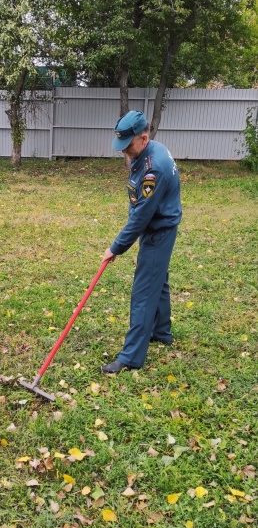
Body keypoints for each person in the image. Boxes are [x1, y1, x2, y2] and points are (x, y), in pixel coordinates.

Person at [101, 110, 182, 375]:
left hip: (158, 230)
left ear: (143, 138)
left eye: (128, 146)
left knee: (143, 292)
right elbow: (137, 203)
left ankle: (131, 357)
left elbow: (141, 216)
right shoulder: (150, 151)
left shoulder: (153, 169)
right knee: (159, 280)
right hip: (156, 224)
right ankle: (162, 332)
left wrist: (116, 247)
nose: (124, 152)